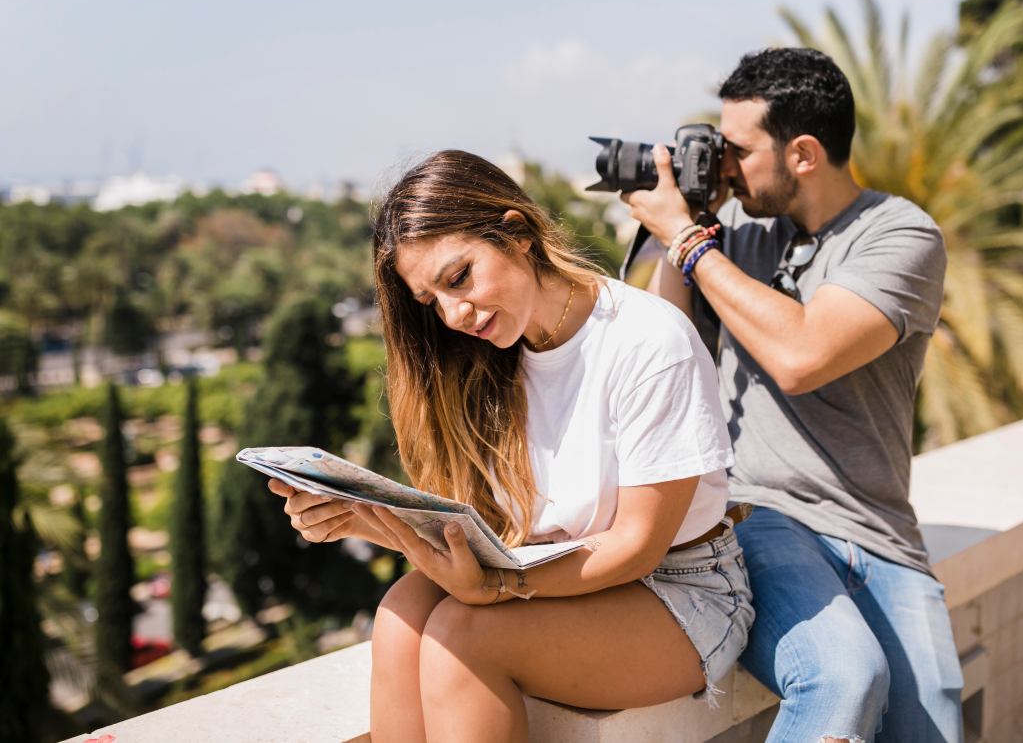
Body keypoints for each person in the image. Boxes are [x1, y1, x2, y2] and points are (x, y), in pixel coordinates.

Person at [267, 150, 754, 743]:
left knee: (461, 639)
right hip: (551, 564)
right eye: (430, 301)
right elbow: (489, 531)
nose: (452, 314)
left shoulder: (646, 343)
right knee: (400, 617)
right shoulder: (486, 363)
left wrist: (499, 588)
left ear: (517, 233)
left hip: (681, 589)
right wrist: (360, 518)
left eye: (458, 278)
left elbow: (636, 547)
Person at [624, 47, 964, 743]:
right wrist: (685, 219)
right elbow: (670, 339)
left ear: (803, 153)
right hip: (761, 513)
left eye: (739, 150)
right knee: (844, 677)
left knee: (933, 727)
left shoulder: (899, 235)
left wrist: (688, 239)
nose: (727, 164)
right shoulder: (732, 240)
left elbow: (803, 356)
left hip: (879, 532)